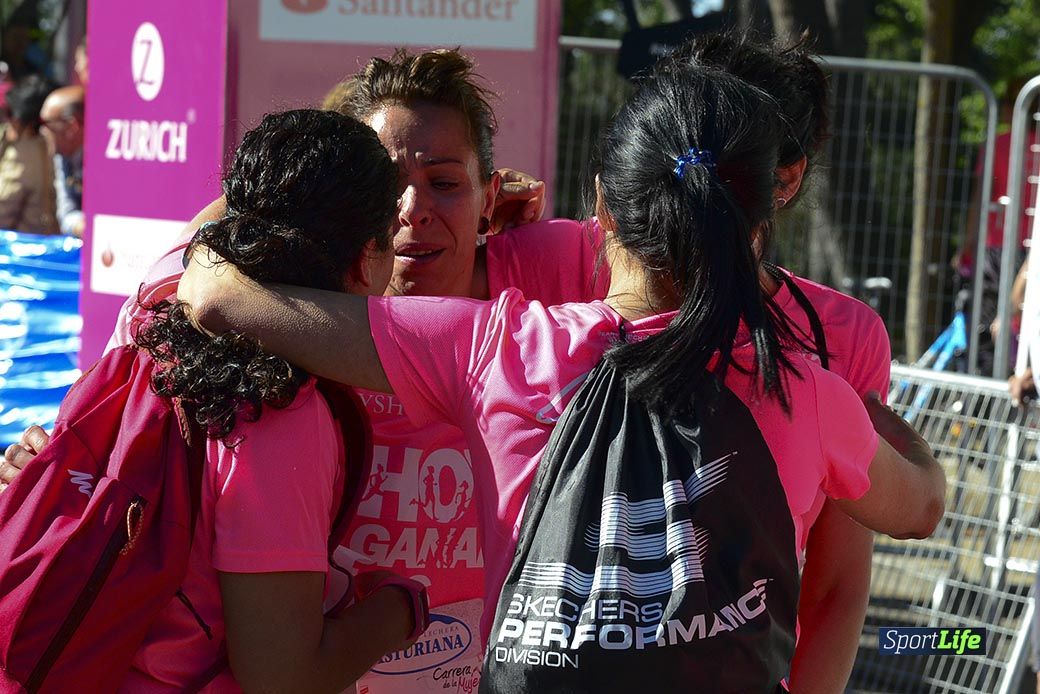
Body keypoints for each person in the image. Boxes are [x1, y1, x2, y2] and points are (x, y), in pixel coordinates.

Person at [179, 64, 945, 688]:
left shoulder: (500, 348)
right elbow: (921, 506)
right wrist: (868, 411)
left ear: (604, 208)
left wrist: (231, 229)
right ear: (758, 217)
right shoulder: (808, 393)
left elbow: (217, 299)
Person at [124, 109, 424, 691]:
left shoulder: (157, 309)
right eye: (392, 234)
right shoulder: (278, 412)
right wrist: (396, 611)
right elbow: (280, 677)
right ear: (365, 261)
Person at [0, 74, 57, 234]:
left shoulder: (25, 152)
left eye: (11, 114)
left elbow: (3, 211)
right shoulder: (50, 145)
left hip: (22, 251)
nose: (7, 121)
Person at [39, 85, 84, 237]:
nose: (42, 132)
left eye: (47, 124)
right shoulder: (62, 155)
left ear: (73, 126)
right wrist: (84, 226)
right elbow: (67, 213)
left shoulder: (108, 158)